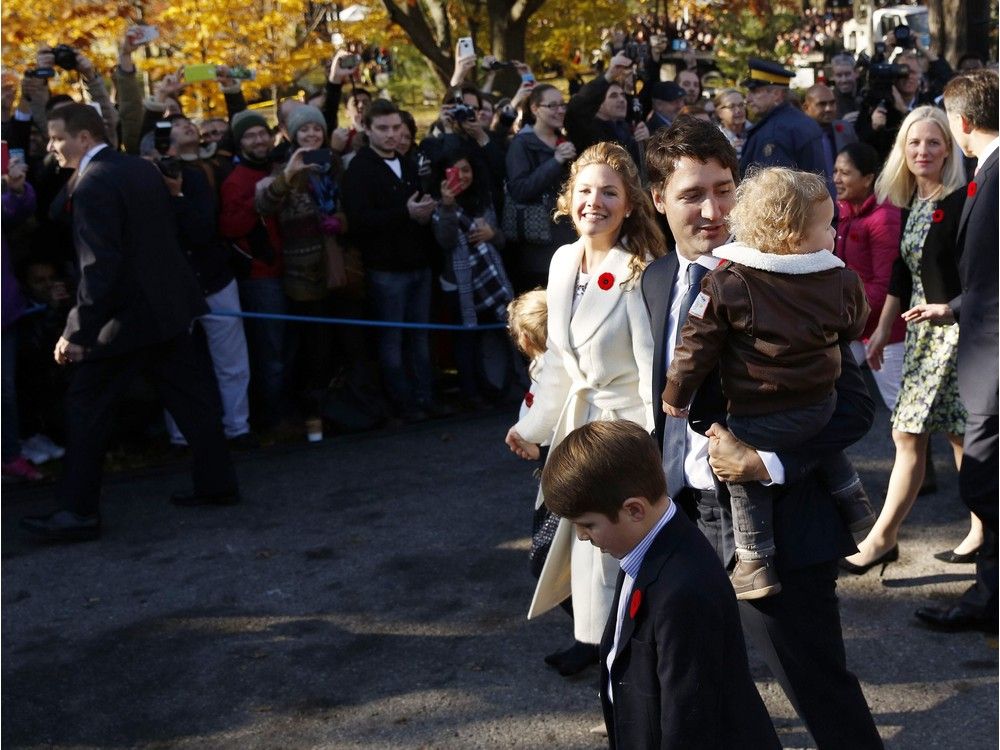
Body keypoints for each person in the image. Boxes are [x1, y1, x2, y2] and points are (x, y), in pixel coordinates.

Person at [643, 117, 884, 748]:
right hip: (684, 520)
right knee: (711, 688)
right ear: (658, 201)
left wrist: (769, 463)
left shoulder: (801, 274)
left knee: (817, 687)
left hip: (784, 524)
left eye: (724, 189)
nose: (714, 209)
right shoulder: (655, 280)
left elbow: (855, 408)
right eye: (692, 194)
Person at [20, 104, 239, 543]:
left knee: (84, 409)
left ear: (83, 138)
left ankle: (78, 513)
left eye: (57, 138)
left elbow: (100, 265)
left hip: (123, 322)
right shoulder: (136, 169)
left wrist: (75, 332)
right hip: (166, 312)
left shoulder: (98, 181)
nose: (51, 147)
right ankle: (218, 485)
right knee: (194, 402)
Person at [661, 167, 873, 599]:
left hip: (759, 415)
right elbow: (854, 326)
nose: (835, 234)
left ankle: (755, 560)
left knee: (742, 472)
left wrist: (675, 395)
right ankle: (856, 504)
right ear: (796, 239)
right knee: (817, 433)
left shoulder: (728, 284)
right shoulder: (840, 279)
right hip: (819, 404)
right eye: (828, 226)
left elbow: (694, 348)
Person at [504, 142, 664, 678]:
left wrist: (649, 451)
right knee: (567, 543)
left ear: (629, 204)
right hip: (574, 428)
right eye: (586, 190)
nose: (594, 201)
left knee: (611, 557)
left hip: (621, 436)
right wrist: (531, 428)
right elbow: (557, 362)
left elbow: (651, 372)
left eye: (609, 192)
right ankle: (595, 643)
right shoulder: (562, 259)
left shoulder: (639, 271)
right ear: (568, 196)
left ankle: (626, 663)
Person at [541, 420, 780, 750]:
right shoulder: (644, 544)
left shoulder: (682, 591)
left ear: (634, 510)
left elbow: (688, 719)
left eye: (587, 525)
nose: (583, 536)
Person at [843, 106, 980, 574]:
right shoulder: (911, 201)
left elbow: (979, 276)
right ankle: (984, 531)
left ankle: (883, 538)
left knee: (910, 432)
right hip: (921, 335)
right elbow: (902, 274)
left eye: (933, 142)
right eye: (914, 143)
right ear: (902, 150)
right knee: (959, 436)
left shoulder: (964, 199)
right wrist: (881, 330)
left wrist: (953, 309)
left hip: (955, 335)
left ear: (949, 148)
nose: (923, 151)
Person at [907, 70, 999, 632]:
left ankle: (989, 600)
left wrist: (961, 307)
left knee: (984, 479)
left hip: (992, 360)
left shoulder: (992, 178)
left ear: (961, 124)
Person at [342, 99, 446, 422]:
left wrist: (426, 209)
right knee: (392, 341)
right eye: (383, 128)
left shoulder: (408, 162)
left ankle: (425, 398)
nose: (391, 134)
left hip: (419, 262)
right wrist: (405, 213)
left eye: (396, 128)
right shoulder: (359, 168)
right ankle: (403, 404)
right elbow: (359, 220)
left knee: (420, 336)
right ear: (367, 129)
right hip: (385, 269)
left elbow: (417, 204)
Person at [256, 105, 348, 434]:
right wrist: (287, 176)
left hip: (336, 268)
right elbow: (264, 205)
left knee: (335, 347)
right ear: (292, 134)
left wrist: (339, 221)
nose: (311, 135)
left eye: (316, 129)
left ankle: (336, 414)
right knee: (310, 350)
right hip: (301, 272)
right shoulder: (283, 167)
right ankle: (310, 420)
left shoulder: (332, 165)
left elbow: (345, 206)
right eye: (304, 130)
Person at [219, 111, 288, 432]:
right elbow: (231, 227)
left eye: (263, 133)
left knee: (286, 348)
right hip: (260, 276)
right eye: (250, 136)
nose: (259, 140)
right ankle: (270, 420)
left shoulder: (281, 168)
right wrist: (259, 198)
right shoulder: (235, 181)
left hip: (289, 270)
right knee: (269, 353)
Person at [431, 148, 513, 407]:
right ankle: (472, 394)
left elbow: (501, 239)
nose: (462, 176)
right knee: (466, 340)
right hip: (459, 285)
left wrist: (492, 234)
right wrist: (446, 205)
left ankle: (502, 388)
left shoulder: (483, 198)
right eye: (455, 171)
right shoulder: (436, 204)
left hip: (490, 279)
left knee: (502, 335)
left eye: (466, 170)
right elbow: (445, 240)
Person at [833, 142, 904, 410]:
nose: (837, 179)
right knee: (830, 385)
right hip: (857, 324)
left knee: (902, 409)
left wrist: (846, 317)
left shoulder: (883, 218)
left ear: (868, 179)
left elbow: (886, 285)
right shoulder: (846, 210)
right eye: (835, 171)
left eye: (845, 173)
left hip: (887, 330)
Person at [504, 84, 577, 291]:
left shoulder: (564, 140)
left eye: (562, 105)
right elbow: (520, 190)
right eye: (552, 105)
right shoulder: (521, 144)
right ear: (535, 109)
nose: (560, 110)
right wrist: (555, 161)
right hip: (537, 249)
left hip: (568, 239)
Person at [739, 58, 825, 179]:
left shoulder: (773, 133)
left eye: (754, 91)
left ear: (776, 94)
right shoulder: (802, 121)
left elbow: (774, 190)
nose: (748, 99)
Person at [803, 84, 858, 197]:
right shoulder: (798, 135)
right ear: (806, 108)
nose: (829, 108)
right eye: (822, 104)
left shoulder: (845, 129)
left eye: (832, 103)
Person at [713, 88, 749, 159]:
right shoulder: (713, 139)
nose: (738, 110)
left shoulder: (758, 132)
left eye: (741, 105)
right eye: (731, 106)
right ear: (719, 112)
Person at [830, 53, 862, 120]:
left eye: (847, 74)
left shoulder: (866, 95)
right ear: (833, 76)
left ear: (856, 73)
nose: (844, 80)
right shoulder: (828, 100)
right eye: (839, 75)